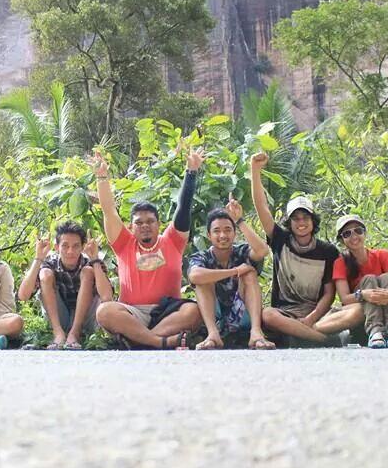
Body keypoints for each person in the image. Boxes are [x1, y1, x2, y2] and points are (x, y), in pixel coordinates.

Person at [93, 148, 203, 349]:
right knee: (104, 312)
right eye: (139, 222)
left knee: (193, 311)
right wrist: (102, 177)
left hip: (168, 313)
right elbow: (109, 211)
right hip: (132, 313)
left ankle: (141, 340)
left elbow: (183, 207)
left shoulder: (172, 240)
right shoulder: (124, 243)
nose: (145, 226)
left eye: (150, 221)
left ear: (159, 224)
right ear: (131, 227)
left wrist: (191, 172)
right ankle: (160, 342)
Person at [249, 152, 339, 345]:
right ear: (289, 223)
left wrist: (311, 318)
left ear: (313, 222)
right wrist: (255, 170)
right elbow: (262, 208)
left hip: (317, 313)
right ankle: (325, 341)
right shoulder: (280, 240)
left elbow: (329, 293)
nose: (301, 223)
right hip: (284, 313)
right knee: (267, 315)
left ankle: (300, 334)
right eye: (295, 219)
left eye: (305, 218)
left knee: (352, 312)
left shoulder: (328, 251)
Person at [188, 198, 274, 350]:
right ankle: (213, 335)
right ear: (209, 235)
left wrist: (239, 220)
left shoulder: (241, 251)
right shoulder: (202, 257)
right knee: (202, 280)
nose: (222, 235)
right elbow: (194, 276)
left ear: (234, 233)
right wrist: (234, 271)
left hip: (243, 314)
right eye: (217, 231)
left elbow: (262, 250)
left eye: (228, 230)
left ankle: (256, 332)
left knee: (249, 274)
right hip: (216, 317)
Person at [18, 221, 113, 350]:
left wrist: (95, 259)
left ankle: (75, 333)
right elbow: (23, 295)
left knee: (88, 271)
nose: (70, 251)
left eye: (75, 246)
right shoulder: (49, 263)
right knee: (45, 273)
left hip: (87, 320)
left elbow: (107, 296)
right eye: (65, 246)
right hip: (60, 318)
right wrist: (38, 258)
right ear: (57, 247)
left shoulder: (92, 262)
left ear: (82, 247)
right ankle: (58, 333)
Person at [314, 215, 388, 348]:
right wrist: (364, 295)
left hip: (387, 310)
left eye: (358, 230)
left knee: (386, 278)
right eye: (347, 233)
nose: (354, 236)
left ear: (365, 233)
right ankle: (375, 330)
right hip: (363, 317)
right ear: (342, 240)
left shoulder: (383, 255)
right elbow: (344, 299)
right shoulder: (341, 263)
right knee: (369, 279)